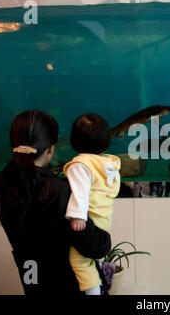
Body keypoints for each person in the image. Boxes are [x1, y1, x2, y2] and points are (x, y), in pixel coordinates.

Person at [0, 110, 111, 295]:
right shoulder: (57, 190)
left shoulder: (2, 182)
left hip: (31, 280)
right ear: (51, 149)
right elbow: (96, 246)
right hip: (66, 284)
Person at [64, 113, 121, 295]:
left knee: (79, 261)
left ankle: (93, 292)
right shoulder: (108, 165)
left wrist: (78, 215)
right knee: (91, 259)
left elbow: (80, 191)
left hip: (90, 221)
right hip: (104, 222)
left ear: (74, 141)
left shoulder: (81, 165)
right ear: (106, 143)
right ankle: (100, 279)